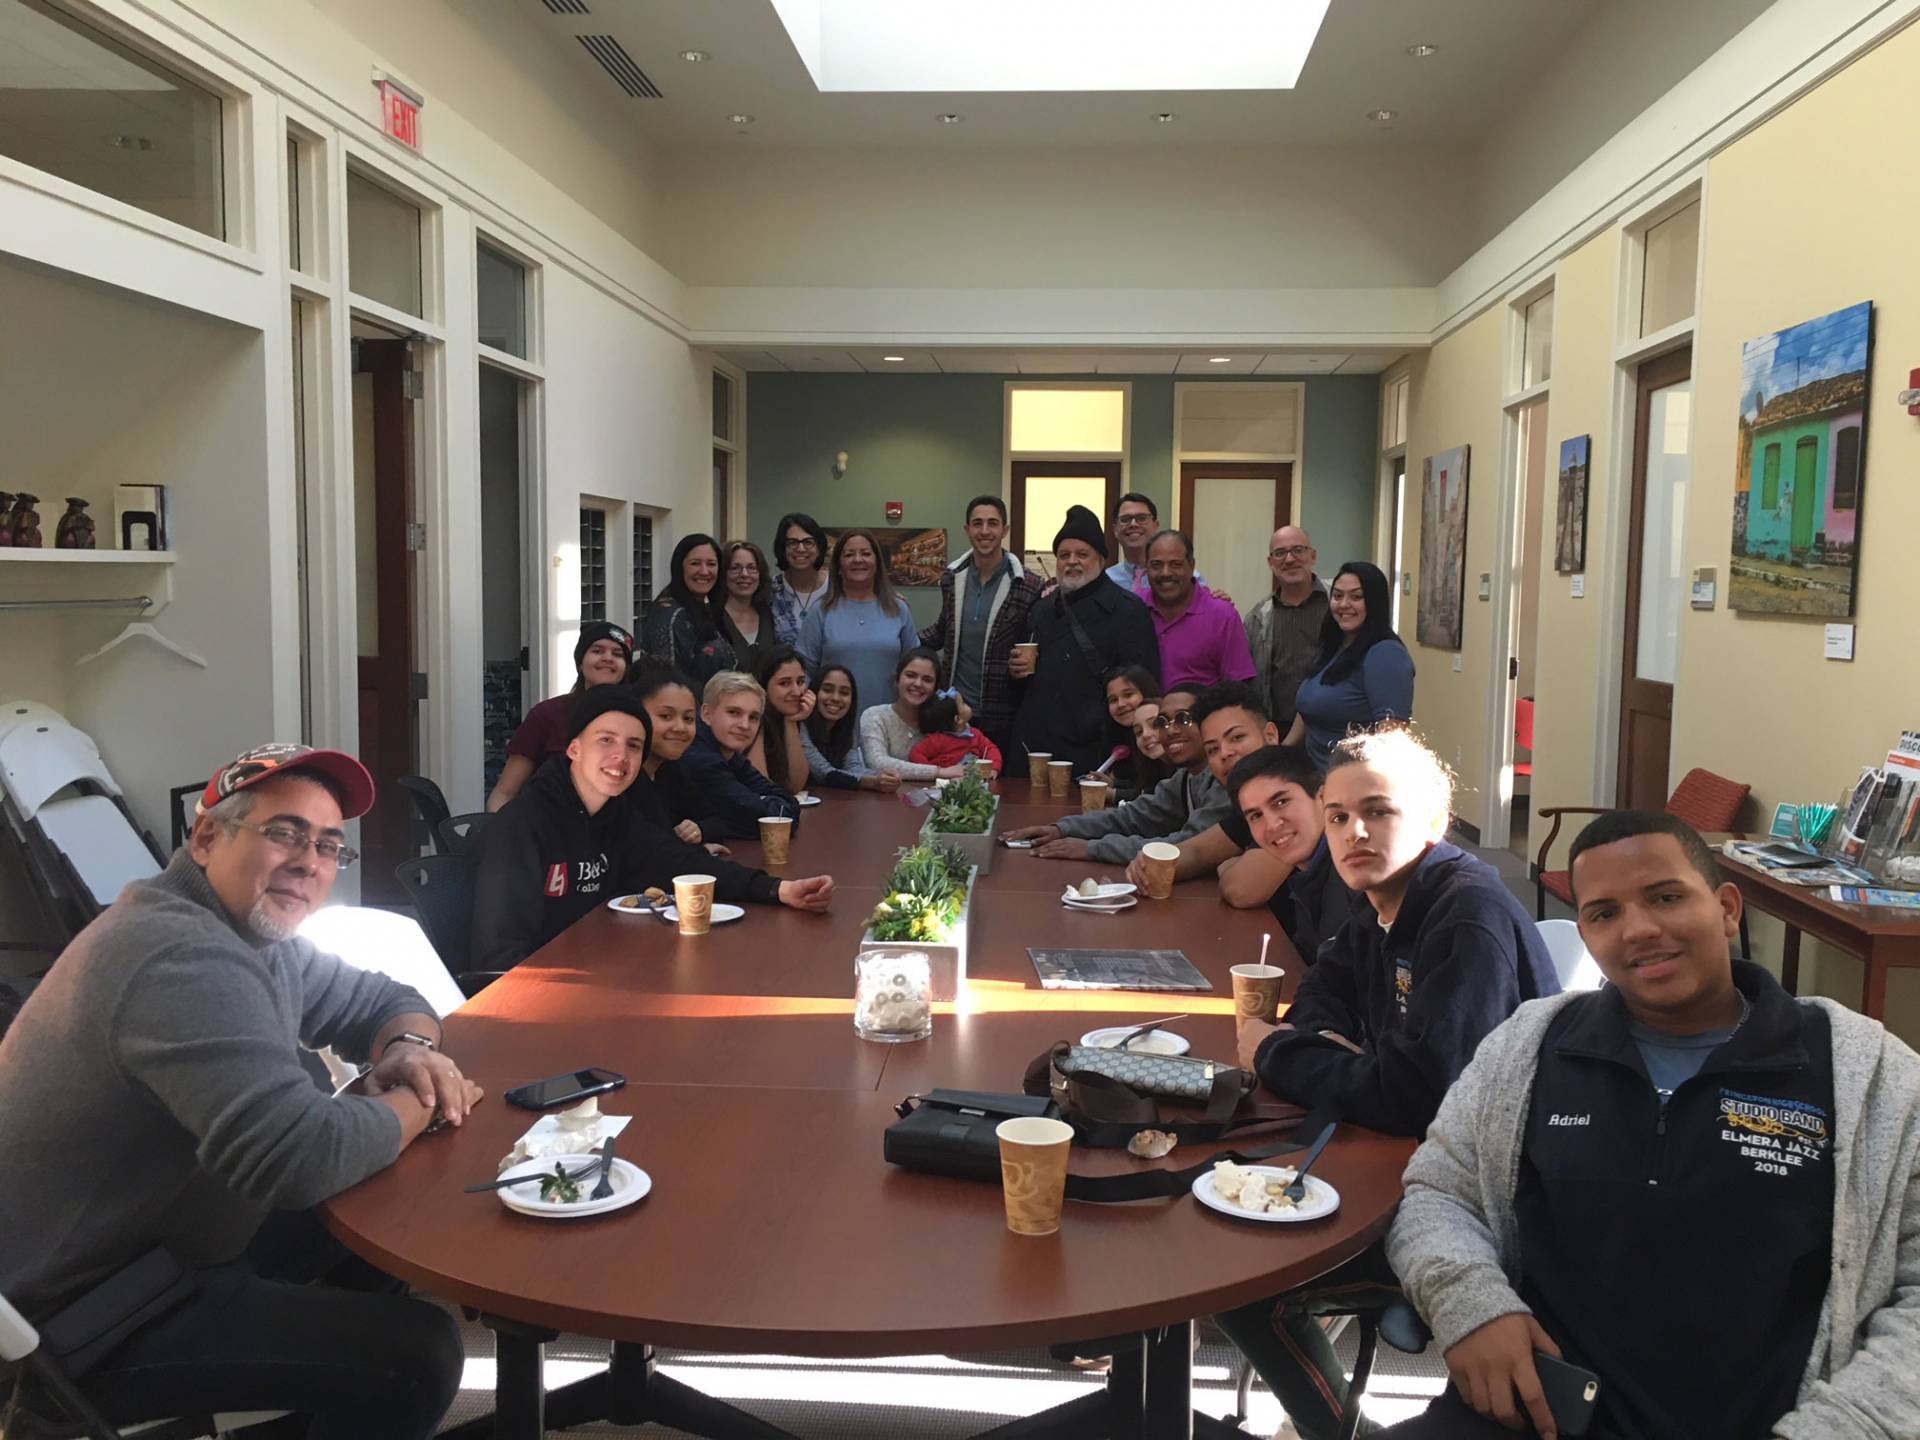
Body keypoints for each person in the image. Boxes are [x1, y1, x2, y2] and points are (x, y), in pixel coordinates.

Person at [1385, 811, 1920, 1440]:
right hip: (1534, 1417)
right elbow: (1438, 1193)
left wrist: (1844, 1424)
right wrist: (1471, 1306)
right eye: (1604, 913)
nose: (1638, 930)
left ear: (1726, 909)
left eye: (1665, 897)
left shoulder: (1867, 1076)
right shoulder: (1530, 1047)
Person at [0, 743, 475, 1439]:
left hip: (162, 1239)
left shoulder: (255, 933)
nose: (309, 862)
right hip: (86, 1309)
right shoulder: (176, 956)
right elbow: (299, 1158)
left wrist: (411, 1049)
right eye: (284, 833)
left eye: (328, 845)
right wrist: (425, 1099)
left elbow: (381, 997)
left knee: (377, 1220)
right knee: (417, 1354)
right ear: (206, 837)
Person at [1219, 725, 1557, 1440]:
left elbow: (1415, 1093)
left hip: (1495, 1196)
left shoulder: (1465, 914)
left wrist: (1279, 1055)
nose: (1354, 833)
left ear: (1434, 820)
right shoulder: (1378, 902)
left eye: (1379, 811)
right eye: (1338, 817)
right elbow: (1323, 994)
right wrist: (1326, 1050)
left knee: (1248, 1278)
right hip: (1408, 1152)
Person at [471, 688, 833, 969]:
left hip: (604, 966)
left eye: (634, 746)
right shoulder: (523, 825)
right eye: (605, 740)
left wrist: (778, 889)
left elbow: (680, 863)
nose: (621, 757)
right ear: (574, 749)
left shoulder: (616, 813)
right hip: (540, 999)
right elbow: (500, 955)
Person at [1010, 505, 1162, 775]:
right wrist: (1017, 669)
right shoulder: (1041, 609)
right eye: (1064, 555)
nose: (1072, 561)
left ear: (1101, 560)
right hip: (1038, 745)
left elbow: (1145, 685)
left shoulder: (1128, 610)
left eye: (1082, 554)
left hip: (1098, 748)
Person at [1003, 686, 1225, 863]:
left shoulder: (1226, 781)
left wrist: (1092, 849)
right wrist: (1060, 829)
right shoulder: (1185, 778)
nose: (1171, 730)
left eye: (1183, 719)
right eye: (1162, 722)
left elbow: (1186, 846)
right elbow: (1133, 817)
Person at [1130, 681, 1287, 901]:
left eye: (1237, 737)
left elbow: (1241, 891)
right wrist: (1149, 862)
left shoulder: (1291, 794)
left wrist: (1228, 868)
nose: (1224, 753)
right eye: (1212, 749)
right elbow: (1198, 852)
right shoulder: (1252, 803)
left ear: (1270, 735)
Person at [919, 494, 1043, 757]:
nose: (985, 531)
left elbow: (1037, 642)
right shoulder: (952, 578)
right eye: (977, 524)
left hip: (1002, 713)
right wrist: (898, 633)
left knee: (999, 787)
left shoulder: (1028, 584)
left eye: (993, 523)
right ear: (967, 530)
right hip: (954, 712)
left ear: (1005, 530)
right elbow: (943, 631)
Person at [1225, 745, 1354, 971]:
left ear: (1323, 798)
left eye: (1281, 802)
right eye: (1256, 816)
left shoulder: (1353, 873)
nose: (1272, 825)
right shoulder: (1309, 874)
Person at [487, 619, 633, 811]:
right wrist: (500, 834)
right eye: (597, 651)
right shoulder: (547, 714)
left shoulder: (637, 721)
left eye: (617, 654)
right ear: (580, 663)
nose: (607, 658)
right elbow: (505, 792)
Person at [1285, 561, 1415, 769]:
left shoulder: (1386, 654)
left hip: (1353, 785)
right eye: (1337, 596)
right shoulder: (1334, 646)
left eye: (1356, 597)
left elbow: (1392, 737)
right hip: (1314, 778)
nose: (1344, 604)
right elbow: (1308, 708)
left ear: (1375, 602)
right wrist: (1280, 752)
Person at [795, 527, 920, 716]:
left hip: (889, 723)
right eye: (849, 554)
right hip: (833, 723)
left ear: (877, 562)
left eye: (866, 553)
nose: (858, 560)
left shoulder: (898, 609)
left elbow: (914, 667)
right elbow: (803, 671)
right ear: (838, 565)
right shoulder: (820, 611)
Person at [680, 670, 803, 838]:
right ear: (706, 714)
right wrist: (765, 803)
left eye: (753, 717)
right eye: (734, 713)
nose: (745, 725)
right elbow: (768, 821)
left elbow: (787, 803)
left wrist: (764, 804)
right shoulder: (701, 759)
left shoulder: (730, 754)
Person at [626, 661, 727, 849]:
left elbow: (717, 823)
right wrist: (694, 849)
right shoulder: (621, 775)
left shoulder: (671, 768)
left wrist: (698, 830)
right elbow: (648, 847)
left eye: (688, 718)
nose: (680, 728)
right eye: (666, 716)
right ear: (636, 715)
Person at [1143, 528, 1256, 693]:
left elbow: (1237, 689)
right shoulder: (1134, 608)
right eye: (1156, 565)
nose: (1165, 573)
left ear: (1192, 565)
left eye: (1176, 564)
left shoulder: (1222, 615)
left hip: (1204, 716)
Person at [1244, 525, 1329, 733]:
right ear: (1270, 562)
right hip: (1279, 727)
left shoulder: (1337, 604)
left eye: (1298, 550)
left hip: (1332, 724)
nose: (1289, 559)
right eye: (1280, 553)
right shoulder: (1257, 617)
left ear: (1313, 555)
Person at [860, 647, 971, 782]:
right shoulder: (874, 716)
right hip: (884, 799)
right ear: (897, 679)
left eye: (927, 679)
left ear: (936, 688)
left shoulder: (948, 720)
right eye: (911, 675)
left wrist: (962, 725)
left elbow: (968, 762)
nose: (918, 684)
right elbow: (877, 763)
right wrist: (939, 772)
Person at [640, 533, 736, 683]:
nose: (704, 571)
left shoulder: (705, 608)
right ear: (679, 567)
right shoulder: (668, 615)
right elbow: (666, 682)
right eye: (695, 563)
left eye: (711, 564)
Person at [800, 664, 903, 793]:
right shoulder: (800, 724)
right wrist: (871, 782)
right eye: (827, 690)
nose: (835, 698)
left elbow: (853, 768)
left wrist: (883, 775)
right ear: (814, 692)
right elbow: (823, 772)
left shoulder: (847, 726)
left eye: (844, 693)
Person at [1103, 492, 1215, 600]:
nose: (1133, 524)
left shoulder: (1187, 578)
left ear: (1155, 526)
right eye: (1125, 519)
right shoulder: (1106, 581)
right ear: (1115, 530)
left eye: (1141, 518)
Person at [748, 646, 816, 795]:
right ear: (762, 686)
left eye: (800, 682)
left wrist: (791, 721)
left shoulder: (790, 717)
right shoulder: (749, 719)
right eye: (784, 683)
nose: (797, 692)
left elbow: (795, 785)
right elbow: (762, 789)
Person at [1102, 664, 1170, 798]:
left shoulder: (1172, 745)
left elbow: (1161, 798)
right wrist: (1114, 783)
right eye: (1113, 700)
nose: (1121, 704)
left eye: (1128, 694)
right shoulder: (1117, 736)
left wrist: (1115, 793)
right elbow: (1145, 788)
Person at [768, 511, 830, 645]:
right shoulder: (770, 591)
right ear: (782, 548)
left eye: (808, 542)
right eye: (792, 542)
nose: (801, 549)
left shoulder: (837, 588)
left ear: (819, 547)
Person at [717, 539, 777, 677]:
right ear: (723, 574)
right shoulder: (711, 618)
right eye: (735, 568)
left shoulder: (768, 615)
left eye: (752, 568)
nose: (744, 574)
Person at [908, 689, 1004, 774]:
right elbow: (916, 754)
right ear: (958, 719)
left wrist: (994, 768)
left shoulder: (975, 734)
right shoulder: (937, 740)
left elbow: (991, 749)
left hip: (972, 784)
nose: (967, 705)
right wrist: (933, 771)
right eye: (963, 704)